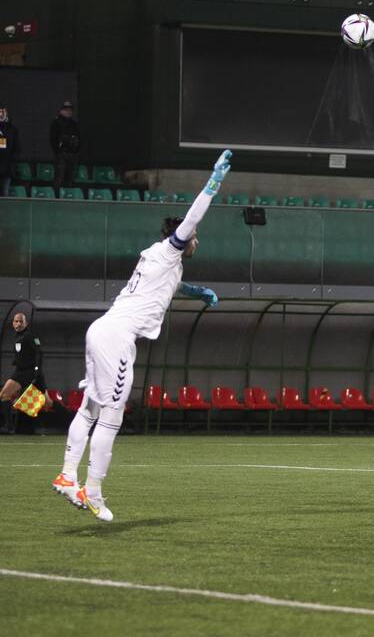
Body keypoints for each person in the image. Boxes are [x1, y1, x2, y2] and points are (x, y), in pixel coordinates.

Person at [51, 151, 230, 521]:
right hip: (117, 337)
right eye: (193, 237)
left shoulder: (163, 262)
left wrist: (201, 293)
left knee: (92, 407)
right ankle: (93, 491)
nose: (196, 241)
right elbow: (193, 217)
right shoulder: (169, 250)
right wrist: (213, 184)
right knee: (112, 417)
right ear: (183, 236)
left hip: (101, 330)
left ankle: (68, 475)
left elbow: (177, 287)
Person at [0, 312, 47, 434]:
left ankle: (9, 427)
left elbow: (39, 354)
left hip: (28, 372)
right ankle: (10, 426)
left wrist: (36, 371)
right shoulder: (17, 337)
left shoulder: (30, 336)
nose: (18, 324)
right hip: (20, 371)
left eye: (21, 321)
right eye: (16, 321)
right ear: (13, 323)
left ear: (26, 323)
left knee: (4, 395)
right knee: (48, 402)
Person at [49, 100, 81, 191]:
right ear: (61, 110)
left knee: (69, 179)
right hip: (61, 155)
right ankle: (57, 198)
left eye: (70, 109)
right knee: (59, 178)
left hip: (72, 154)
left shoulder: (74, 124)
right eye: (66, 109)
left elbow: (79, 138)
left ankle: (68, 198)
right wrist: (58, 150)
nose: (69, 111)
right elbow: (52, 140)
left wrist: (76, 150)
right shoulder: (56, 123)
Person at [0, 106, 20, 196]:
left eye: (3, 112)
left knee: (5, 193)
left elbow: (17, 148)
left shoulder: (13, 130)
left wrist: (12, 160)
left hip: (7, 168)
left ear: (6, 113)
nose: (1, 114)